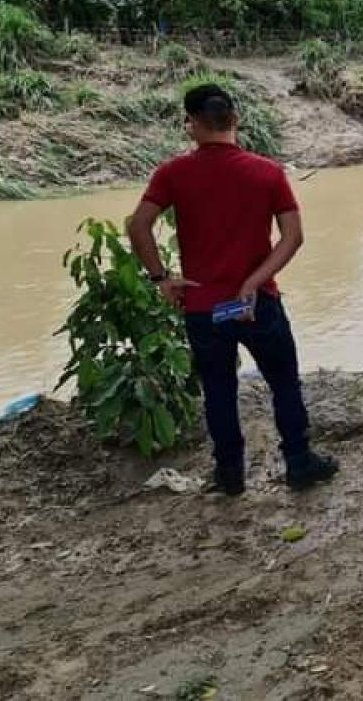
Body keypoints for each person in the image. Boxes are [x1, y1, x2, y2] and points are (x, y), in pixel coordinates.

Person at [127, 83, 338, 496]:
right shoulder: (268, 172)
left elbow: (138, 225)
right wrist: (254, 281)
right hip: (258, 303)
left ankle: (230, 476)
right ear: (235, 120)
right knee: (284, 384)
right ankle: (299, 462)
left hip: (204, 307)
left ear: (191, 126)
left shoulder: (173, 173)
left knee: (219, 392)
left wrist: (161, 278)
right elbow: (292, 237)